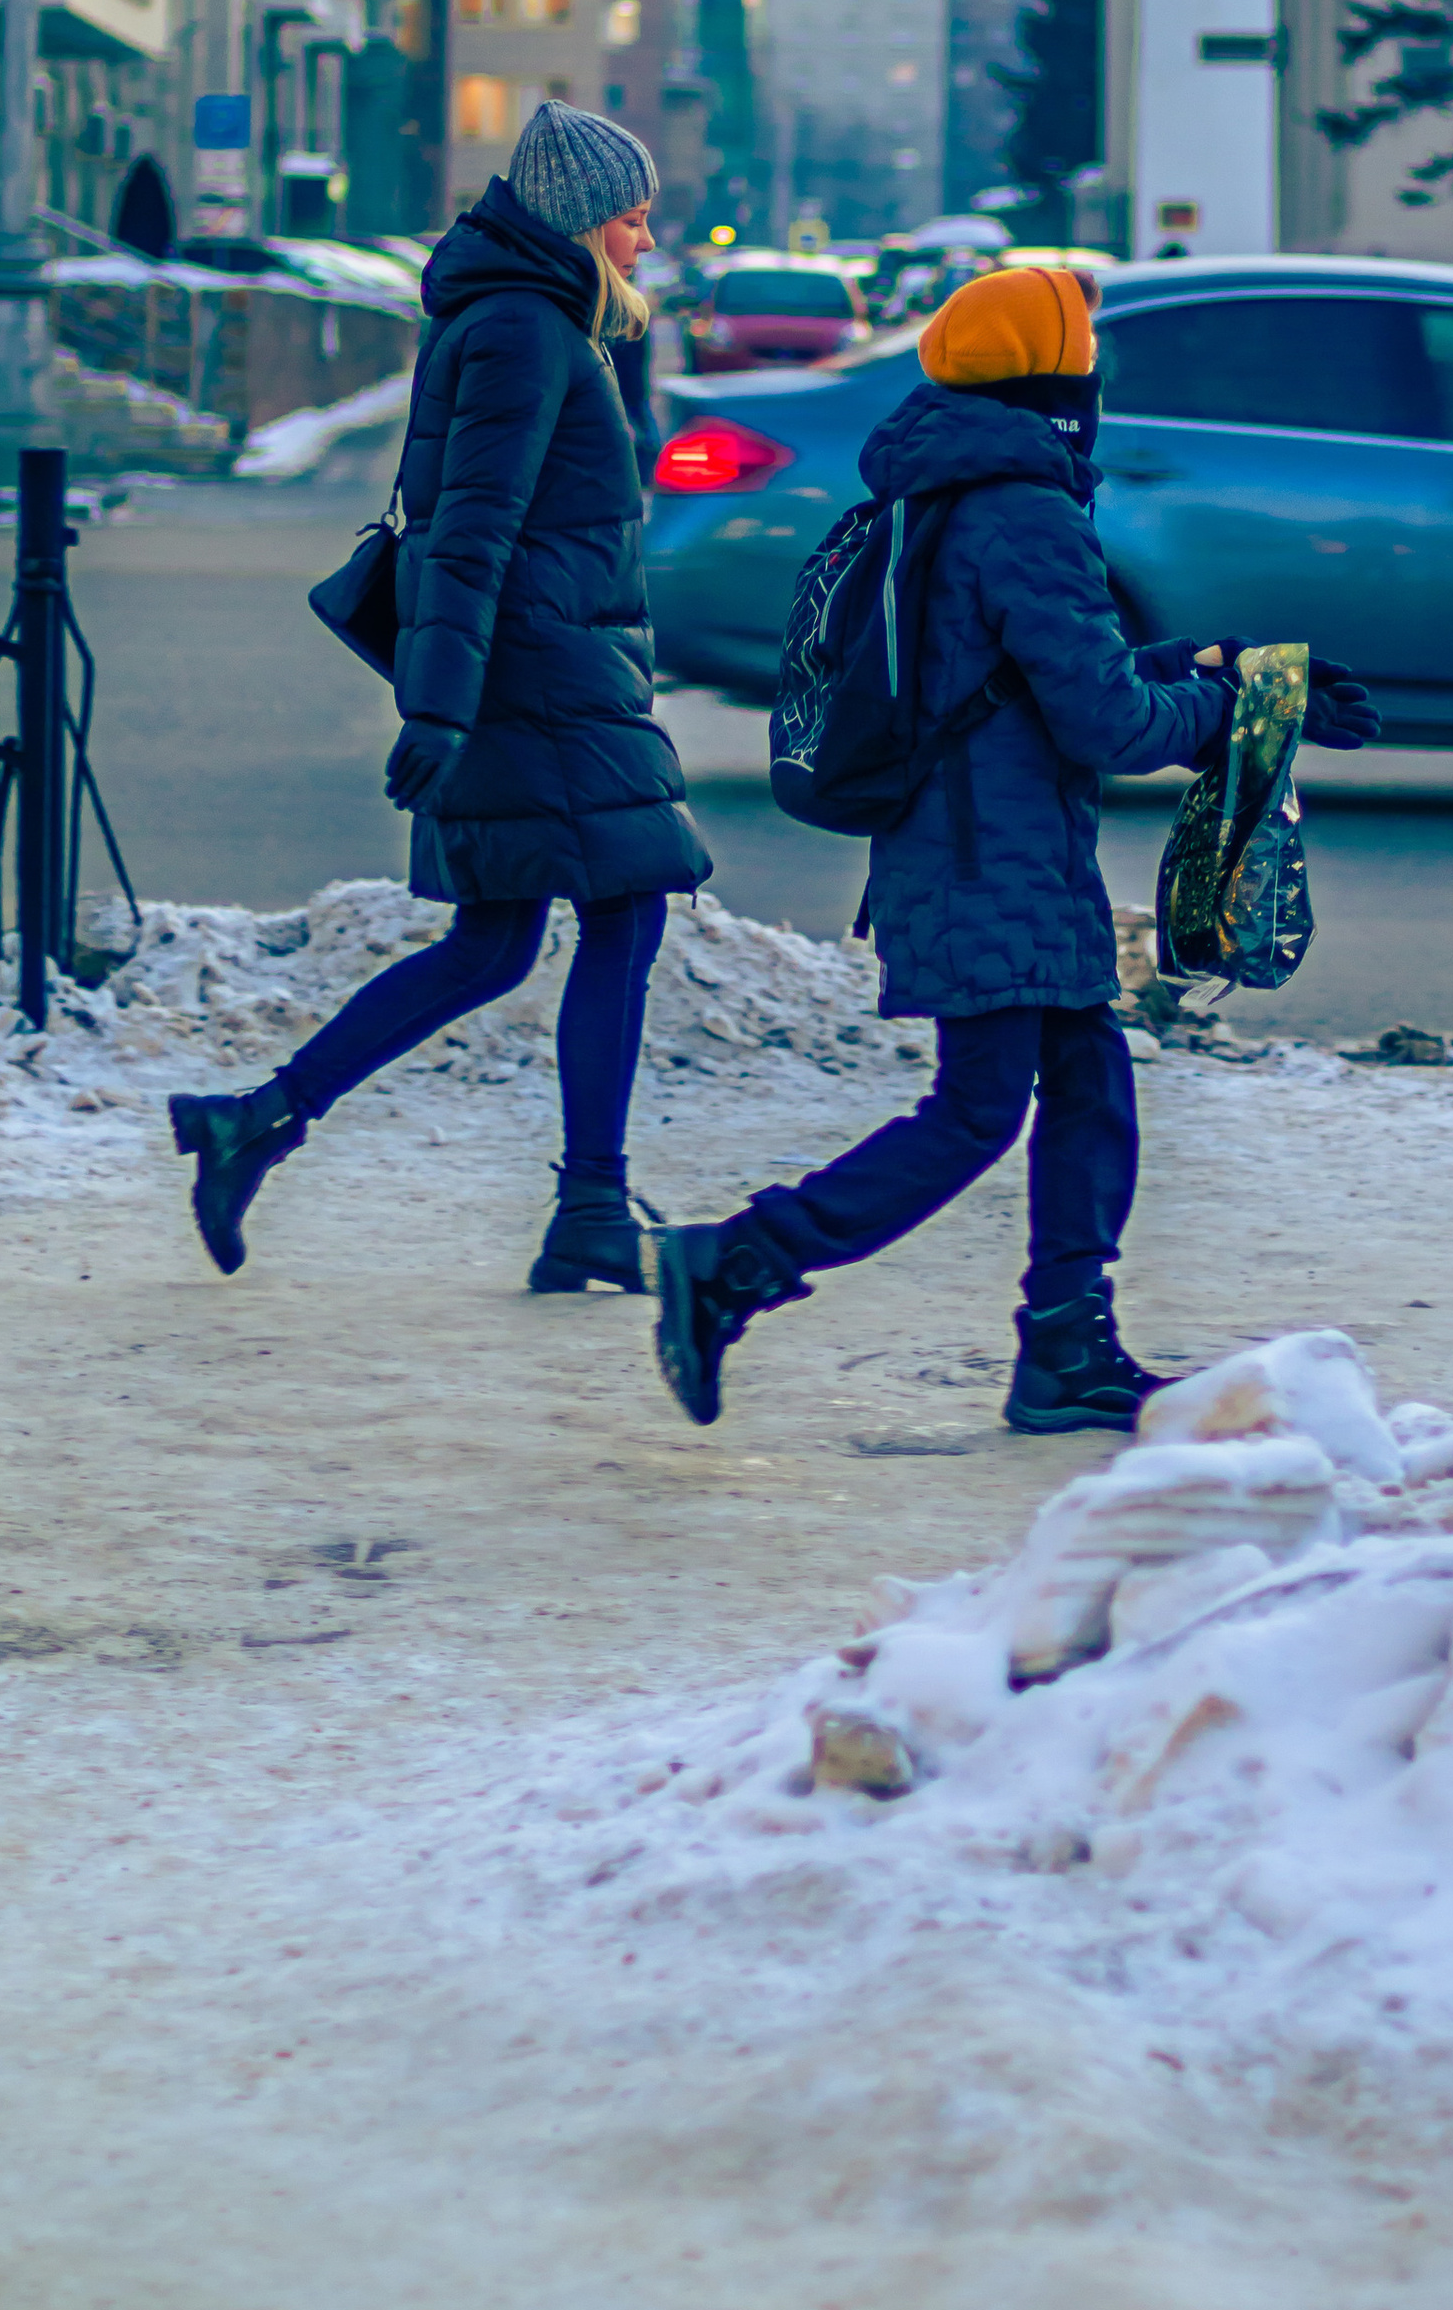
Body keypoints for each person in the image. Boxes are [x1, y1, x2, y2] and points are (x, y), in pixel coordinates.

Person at [651, 264, 1379, 1437]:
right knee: (976, 1111)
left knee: (1087, 1083)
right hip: (992, 863)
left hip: (981, 851)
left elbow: (1030, 683)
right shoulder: (1025, 511)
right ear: (1060, 384)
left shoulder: (942, 491)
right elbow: (1103, 723)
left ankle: (1065, 1350)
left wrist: (1225, 668)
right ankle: (735, 1260)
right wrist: (1229, 713)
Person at [168, 103, 711, 1289]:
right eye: (630, 221)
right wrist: (443, 705)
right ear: (576, 224)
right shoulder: (523, 330)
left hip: (539, 666)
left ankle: (254, 1123)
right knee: (622, 910)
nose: (646, 244)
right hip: (535, 674)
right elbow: (470, 531)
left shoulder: (528, 319)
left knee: (497, 940)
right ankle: (590, 1208)